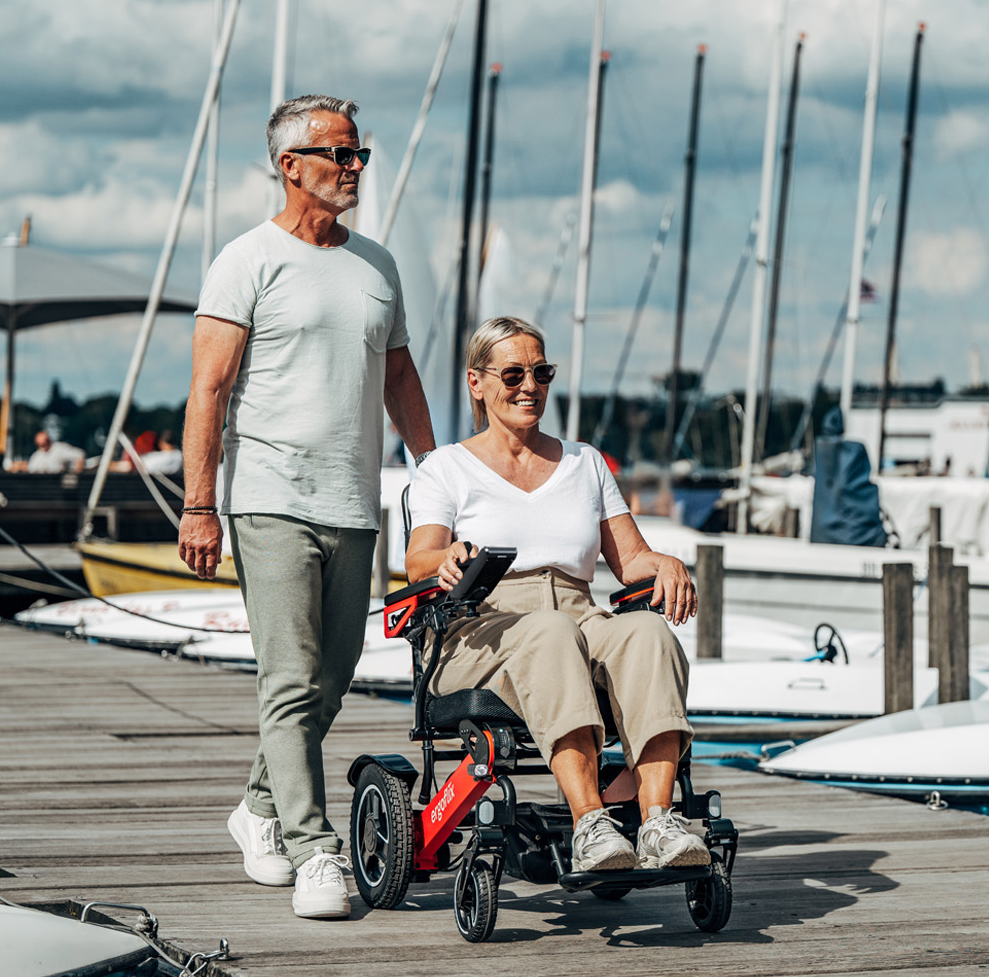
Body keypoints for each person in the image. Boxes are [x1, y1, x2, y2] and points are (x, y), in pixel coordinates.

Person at [178, 94, 435, 920]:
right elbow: (209, 391)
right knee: (289, 679)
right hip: (268, 499)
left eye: (361, 154)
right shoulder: (244, 261)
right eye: (340, 154)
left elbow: (399, 377)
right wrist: (199, 505)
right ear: (291, 166)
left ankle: (256, 806)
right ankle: (312, 847)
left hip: (354, 500)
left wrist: (436, 476)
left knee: (333, 676)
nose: (355, 167)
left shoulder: (377, 265)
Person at [404, 316, 709, 874]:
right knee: (551, 633)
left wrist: (664, 563)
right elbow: (418, 559)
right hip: (481, 624)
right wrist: (446, 558)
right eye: (514, 373)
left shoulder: (583, 462)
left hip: (576, 609)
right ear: (477, 382)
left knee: (644, 631)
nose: (530, 386)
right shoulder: (447, 467)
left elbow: (630, 561)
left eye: (541, 372)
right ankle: (591, 824)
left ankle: (657, 821)